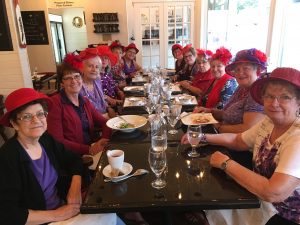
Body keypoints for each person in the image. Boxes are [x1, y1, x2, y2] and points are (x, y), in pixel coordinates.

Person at [182, 67, 300, 225]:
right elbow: (238, 141)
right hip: (258, 199)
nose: (274, 103)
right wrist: (201, 137)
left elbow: (273, 192)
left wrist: (226, 163)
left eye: (285, 97)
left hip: (284, 216)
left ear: (298, 102)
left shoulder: (297, 137)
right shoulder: (269, 123)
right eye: (269, 96)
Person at [0, 88, 120, 224]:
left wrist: (74, 189)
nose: (36, 120)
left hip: (66, 207)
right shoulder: (7, 157)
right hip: (45, 220)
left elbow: (74, 159)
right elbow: (7, 213)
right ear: (14, 123)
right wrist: (58, 214)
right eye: (27, 116)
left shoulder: (45, 140)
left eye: (40, 114)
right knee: (108, 216)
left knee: (111, 206)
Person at [47, 53, 112, 156]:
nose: (73, 81)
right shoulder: (55, 103)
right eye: (68, 78)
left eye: (77, 76)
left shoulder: (84, 101)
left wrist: (103, 139)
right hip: (71, 157)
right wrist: (89, 149)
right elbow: (57, 141)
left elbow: (105, 122)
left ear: (81, 79)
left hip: (91, 151)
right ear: (61, 83)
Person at [194, 48, 266, 133]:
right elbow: (227, 114)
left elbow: (248, 130)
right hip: (222, 135)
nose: (240, 73)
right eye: (237, 69)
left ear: (257, 70)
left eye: (246, 68)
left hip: (232, 143)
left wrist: (219, 128)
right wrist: (210, 111)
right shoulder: (241, 88)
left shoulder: (257, 93)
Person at [79, 48, 116, 118]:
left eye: (97, 67)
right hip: (94, 124)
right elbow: (84, 115)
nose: (94, 70)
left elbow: (101, 100)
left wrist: (109, 108)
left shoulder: (97, 80)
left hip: (105, 115)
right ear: (82, 68)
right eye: (90, 66)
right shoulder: (78, 87)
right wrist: (105, 117)